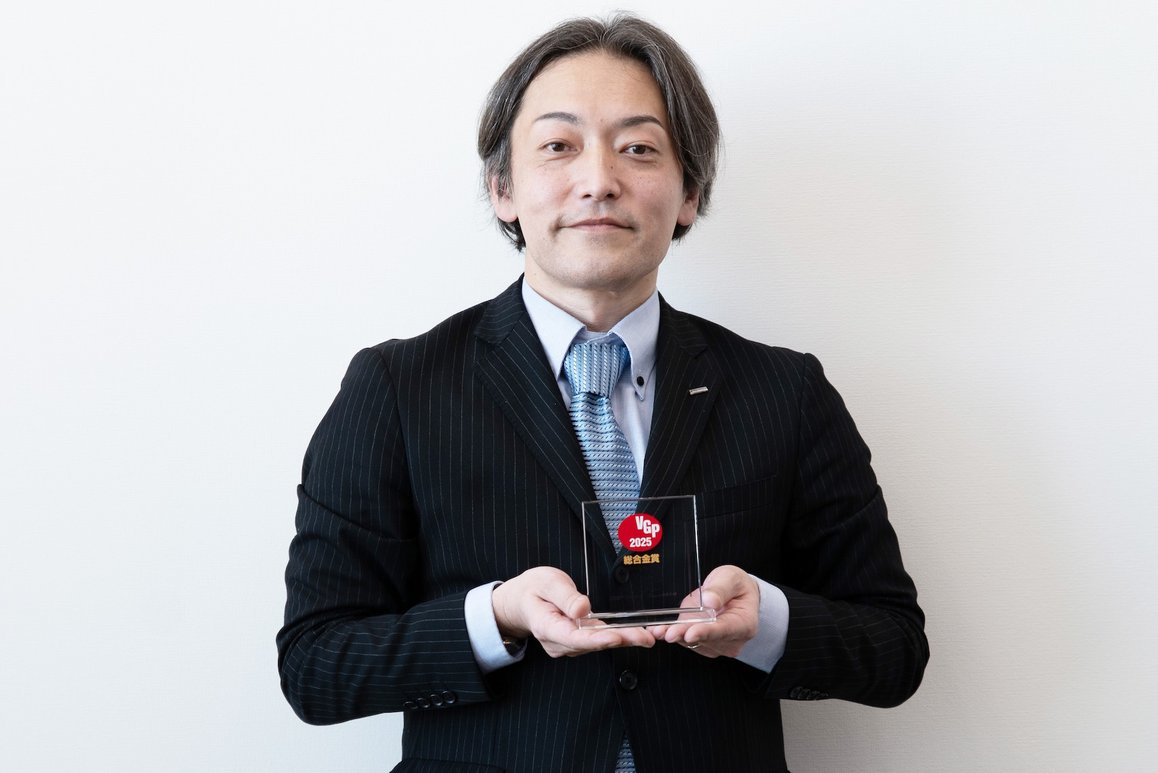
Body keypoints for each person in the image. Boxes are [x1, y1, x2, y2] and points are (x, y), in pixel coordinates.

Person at [278, 14, 928, 773]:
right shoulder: (397, 387)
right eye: (558, 146)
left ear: (690, 193)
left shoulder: (785, 391)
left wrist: (765, 622)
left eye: (639, 148)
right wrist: (497, 617)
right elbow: (314, 664)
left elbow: (894, 648)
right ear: (502, 188)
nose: (598, 180)